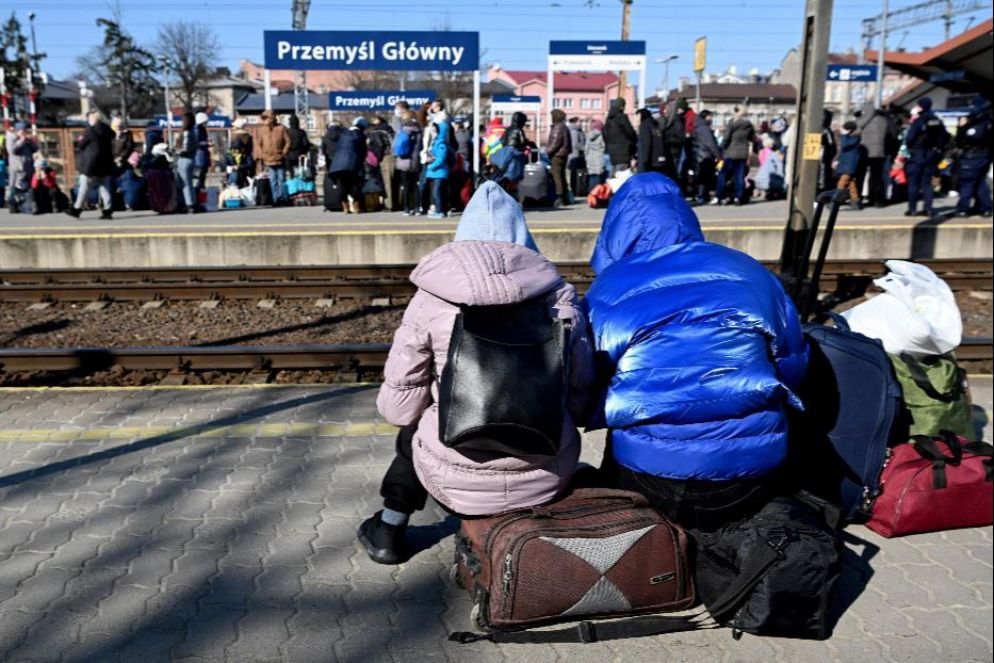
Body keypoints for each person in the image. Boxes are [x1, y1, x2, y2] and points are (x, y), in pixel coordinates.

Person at [356, 181, 594, 564]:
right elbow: (581, 404)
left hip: (454, 477)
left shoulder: (432, 298)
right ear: (523, 235)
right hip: (546, 470)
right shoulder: (561, 299)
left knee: (415, 426)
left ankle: (389, 529)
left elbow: (398, 409)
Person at [583, 172, 809, 532]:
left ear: (615, 230)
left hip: (647, 475)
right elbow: (793, 364)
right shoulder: (749, 271)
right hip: (748, 477)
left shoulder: (609, 287)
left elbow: (589, 383)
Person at [903, 97, 949, 218]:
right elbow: (945, 137)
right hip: (931, 155)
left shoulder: (919, 121)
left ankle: (912, 209)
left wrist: (911, 147)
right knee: (927, 183)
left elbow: (910, 138)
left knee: (913, 183)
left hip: (918, 154)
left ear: (921, 107)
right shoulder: (937, 121)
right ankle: (928, 209)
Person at [66, 110, 115, 219]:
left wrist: (80, 140)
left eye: (89, 118)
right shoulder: (108, 130)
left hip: (91, 164)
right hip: (105, 162)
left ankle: (76, 208)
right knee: (104, 186)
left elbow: (81, 146)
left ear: (93, 119)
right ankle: (108, 210)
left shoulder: (90, 131)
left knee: (84, 186)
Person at [953, 96, 992, 218]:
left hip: (972, 157)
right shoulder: (988, 120)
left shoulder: (978, 122)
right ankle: (986, 208)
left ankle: (962, 209)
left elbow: (964, 139)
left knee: (967, 183)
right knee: (980, 183)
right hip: (984, 156)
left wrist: (962, 127)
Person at [855, 103, 895, 208]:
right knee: (876, 177)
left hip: (864, 152)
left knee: (860, 177)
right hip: (879, 153)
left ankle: (857, 200)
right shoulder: (883, 120)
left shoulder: (861, 120)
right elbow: (891, 135)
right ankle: (877, 201)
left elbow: (854, 131)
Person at [713, 107, 755, 205]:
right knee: (739, 176)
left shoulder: (732, 123)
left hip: (731, 153)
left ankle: (718, 196)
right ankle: (738, 198)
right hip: (743, 153)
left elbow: (726, 138)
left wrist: (719, 149)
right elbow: (751, 138)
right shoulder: (748, 125)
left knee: (722, 174)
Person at [329, 117, 368, 214]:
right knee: (354, 185)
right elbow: (363, 152)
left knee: (342, 185)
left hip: (338, 164)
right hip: (353, 164)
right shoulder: (360, 135)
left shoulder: (342, 132)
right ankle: (356, 207)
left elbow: (332, 137)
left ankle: (345, 207)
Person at [255, 110, 291, 205]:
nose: (265, 120)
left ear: (272, 118)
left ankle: (284, 198)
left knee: (282, 179)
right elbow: (258, 144)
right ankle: (276, 199)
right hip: (268, 159)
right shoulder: (261, 130)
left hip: (280, 157)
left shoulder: (281, 128)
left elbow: (288, 141)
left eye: (266, 118)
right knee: (273, 180)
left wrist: (284, 152)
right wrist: (262, 155)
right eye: (264, 118)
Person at [424, 107, 451, 218]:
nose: (433, 132)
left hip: (439, 172)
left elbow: (441, 159)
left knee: (437, 192)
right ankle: (441, 210)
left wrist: (431, 166)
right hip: (436, 172)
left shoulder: (441, 145)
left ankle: (440, 211)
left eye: (435, 131)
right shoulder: (437, 143)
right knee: (437, 192)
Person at [395, 112, 422, 216]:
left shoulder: (401, 130)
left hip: (403, 160)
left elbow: (396, 145)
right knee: (415, 185)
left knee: (406, 186)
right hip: (415, 161)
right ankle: (417, 207)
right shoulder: (419, 130)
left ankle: (406, 208)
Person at [171, 111, 199, 213]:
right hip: (191, 159)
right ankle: (192, 203)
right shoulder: (194, 132)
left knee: (184, 183)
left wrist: (175, 151)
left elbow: (185, 148)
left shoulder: (187, 132)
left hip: (184, 159)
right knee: (188, 183)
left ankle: (188, 204)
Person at [5, 122, 36, 211]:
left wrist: (30, 141)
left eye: (25, 130)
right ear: (17, 131)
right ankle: (11, 204)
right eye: (22, 130)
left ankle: (26, 204)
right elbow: (12, 150)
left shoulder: (26, 139)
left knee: (29, 188)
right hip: (17, 168)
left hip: (28, 167)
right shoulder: (11, 138)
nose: (24, 132)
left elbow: (35, 149)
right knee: (15, 187)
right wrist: (20, 141)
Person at [693, 110, 722, 204]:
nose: (712, 119)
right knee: (705, 177)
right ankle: (701, 196)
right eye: (710, 117)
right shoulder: (704, 128)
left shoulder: (698, 127)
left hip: (700, 154)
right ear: (706, 117)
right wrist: (718, 155)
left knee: (703, 177)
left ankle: (702, 196)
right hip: (705, 155)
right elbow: (710, 143)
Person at [603, 97, 637, 175]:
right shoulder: (621, 117)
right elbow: (630, 132)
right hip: (623, 152)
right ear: (622, 106)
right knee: (622, 176)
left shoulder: (608, 119)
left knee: (613, 176)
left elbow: (604, 135)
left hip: (612, 153)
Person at [367, 117, 395, 210]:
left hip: (385, 157)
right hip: (394, 157)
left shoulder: (377, 132)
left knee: (387, 182)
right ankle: (397, 203)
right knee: (394, 181)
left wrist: (377, 159)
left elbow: (380, 145)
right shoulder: (390, 130)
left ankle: (388, 205)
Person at [546, 108, 572, 207]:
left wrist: (547, 152)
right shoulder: (564, 127)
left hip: (557, 155)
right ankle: (564, 197)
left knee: (556, 176)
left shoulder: (558, 127)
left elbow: (555, 143)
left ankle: (559, 197)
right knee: (561, 176)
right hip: (563, 154)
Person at [834, 121, 863, 210]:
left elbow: (844, 145)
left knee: (841, 183)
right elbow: (843, 151)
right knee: (851, 184)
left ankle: (835, 201)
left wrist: (843, 135)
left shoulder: (854, 137)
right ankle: (855, 201)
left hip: (849, 165)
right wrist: (837, 160)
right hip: (846, 164)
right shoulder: (849, 137)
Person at [755, 135, 786, 200]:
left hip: (757, 181)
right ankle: (776, 193)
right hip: (767, 182)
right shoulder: (777, 160)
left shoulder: (768, 157)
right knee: (783, 186)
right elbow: (780, 174)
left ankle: (770, 193)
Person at [636, 108, 664, 175]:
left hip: (649, 161)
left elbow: (646, 144)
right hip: (659, 160)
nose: (636, 119)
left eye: (637, 116)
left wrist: (644, 161)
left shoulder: (644, 126)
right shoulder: (655, 126)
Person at [228, 118, 255, 187]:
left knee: (236, 177)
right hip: (246, 159)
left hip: (237, 159)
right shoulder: (248, 136)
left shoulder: (235, 135)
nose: (232, 127)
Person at [193, 112, 212, 205]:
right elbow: (197, 143)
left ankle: (200, 197)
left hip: (202, 155)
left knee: (202, 177)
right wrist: (207, 143)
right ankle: (198, 197)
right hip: (200, 156)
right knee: (200, 177)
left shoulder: (201, 129)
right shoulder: (197, 129)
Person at [285, 114, 312, 178]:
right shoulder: (302, 132)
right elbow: (305, 144)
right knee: (300, 172)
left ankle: (293, 184)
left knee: (291, 173)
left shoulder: (287, 132)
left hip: (289, 155)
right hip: (300, 155)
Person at [818, 109, 837, 193]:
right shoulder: (826, 130)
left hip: (823, 153)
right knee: (823, 172)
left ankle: (822, 188)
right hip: (824, 153)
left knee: (823, 172)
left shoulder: (825, 130)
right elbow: (831, 144)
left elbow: (831, 144)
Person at [585, 119, 607, 187]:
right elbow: (603, 146)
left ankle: (591, 193)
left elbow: (586, 148)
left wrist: (586, 158)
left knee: (591, 176)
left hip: (590, 158)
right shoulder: (601, 135)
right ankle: (597, 194)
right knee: (598, 177)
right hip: (599, 158)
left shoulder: (588, 135)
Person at [567, 116, 586, 194]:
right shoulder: (574, 132)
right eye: (579, 121)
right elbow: (575, 144)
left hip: (577, 156)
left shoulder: (578, 131)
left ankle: (578, 190)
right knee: (575, 175)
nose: (581, 123)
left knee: (577, 175)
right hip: (575, 156)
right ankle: (576, 190)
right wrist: (585, 148)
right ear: (575, 122)